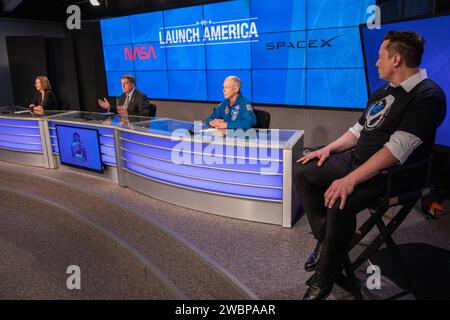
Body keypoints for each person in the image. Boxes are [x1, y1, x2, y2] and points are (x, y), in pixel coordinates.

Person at [293, 30, 446, 300]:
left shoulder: (428, 96)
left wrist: (350, 179)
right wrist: (327, 150)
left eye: (380, 57)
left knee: (339, 199)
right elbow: (357, 131)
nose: (376, 63)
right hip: (359, 160)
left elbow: (396, 151)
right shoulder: (384, 90)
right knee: (304, 170)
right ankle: (325, 241)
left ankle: (324, 277)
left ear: (396, 59)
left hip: (393, 174)